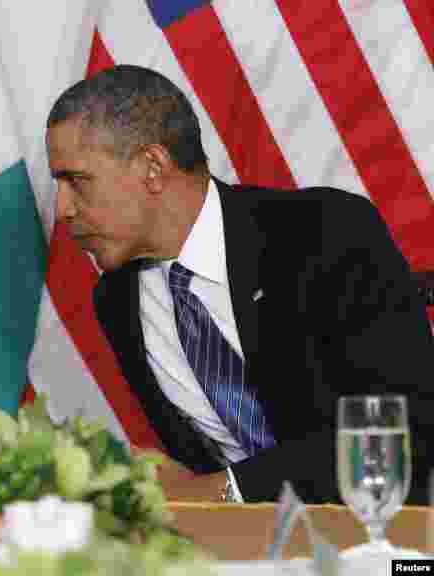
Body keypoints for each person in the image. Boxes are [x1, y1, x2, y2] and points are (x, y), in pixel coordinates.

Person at [45, 65, 433, 504]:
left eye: (76, 181)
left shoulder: (327, 233)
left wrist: (224, 490)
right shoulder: (117, 301)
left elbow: (405, 428)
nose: (63, 210)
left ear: (153, 167)